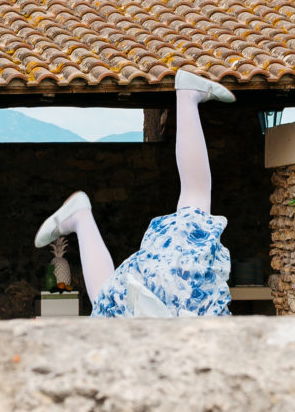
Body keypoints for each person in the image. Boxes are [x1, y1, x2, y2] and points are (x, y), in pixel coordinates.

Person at [33, 68, 235, 317]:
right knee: (109, 301)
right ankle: (80, 218)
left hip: (176, 300)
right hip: (170, 312)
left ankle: (80, 218)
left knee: (196, 200)